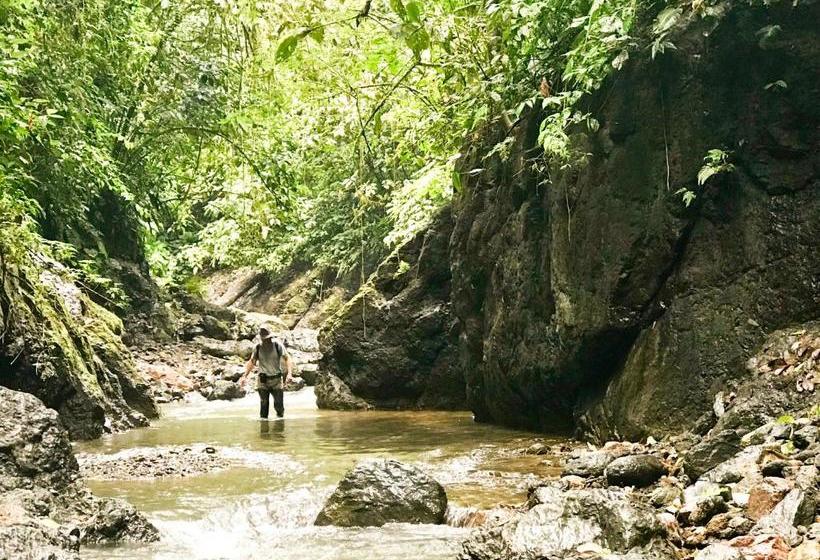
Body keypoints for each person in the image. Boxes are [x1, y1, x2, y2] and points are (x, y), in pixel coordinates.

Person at [241, 326, 293, 419]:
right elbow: (252, 362)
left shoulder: (277, 345)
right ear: (261, 339)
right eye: (265, 339)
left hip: (276, 380)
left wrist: (289, 373)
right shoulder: (257, 347)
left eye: (269, 338)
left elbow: (287, 358)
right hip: (262, 381)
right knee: (264, 407)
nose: (267, 340)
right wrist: (245, 376)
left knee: (279, 406)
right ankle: (264, 431)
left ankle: (279, 429)